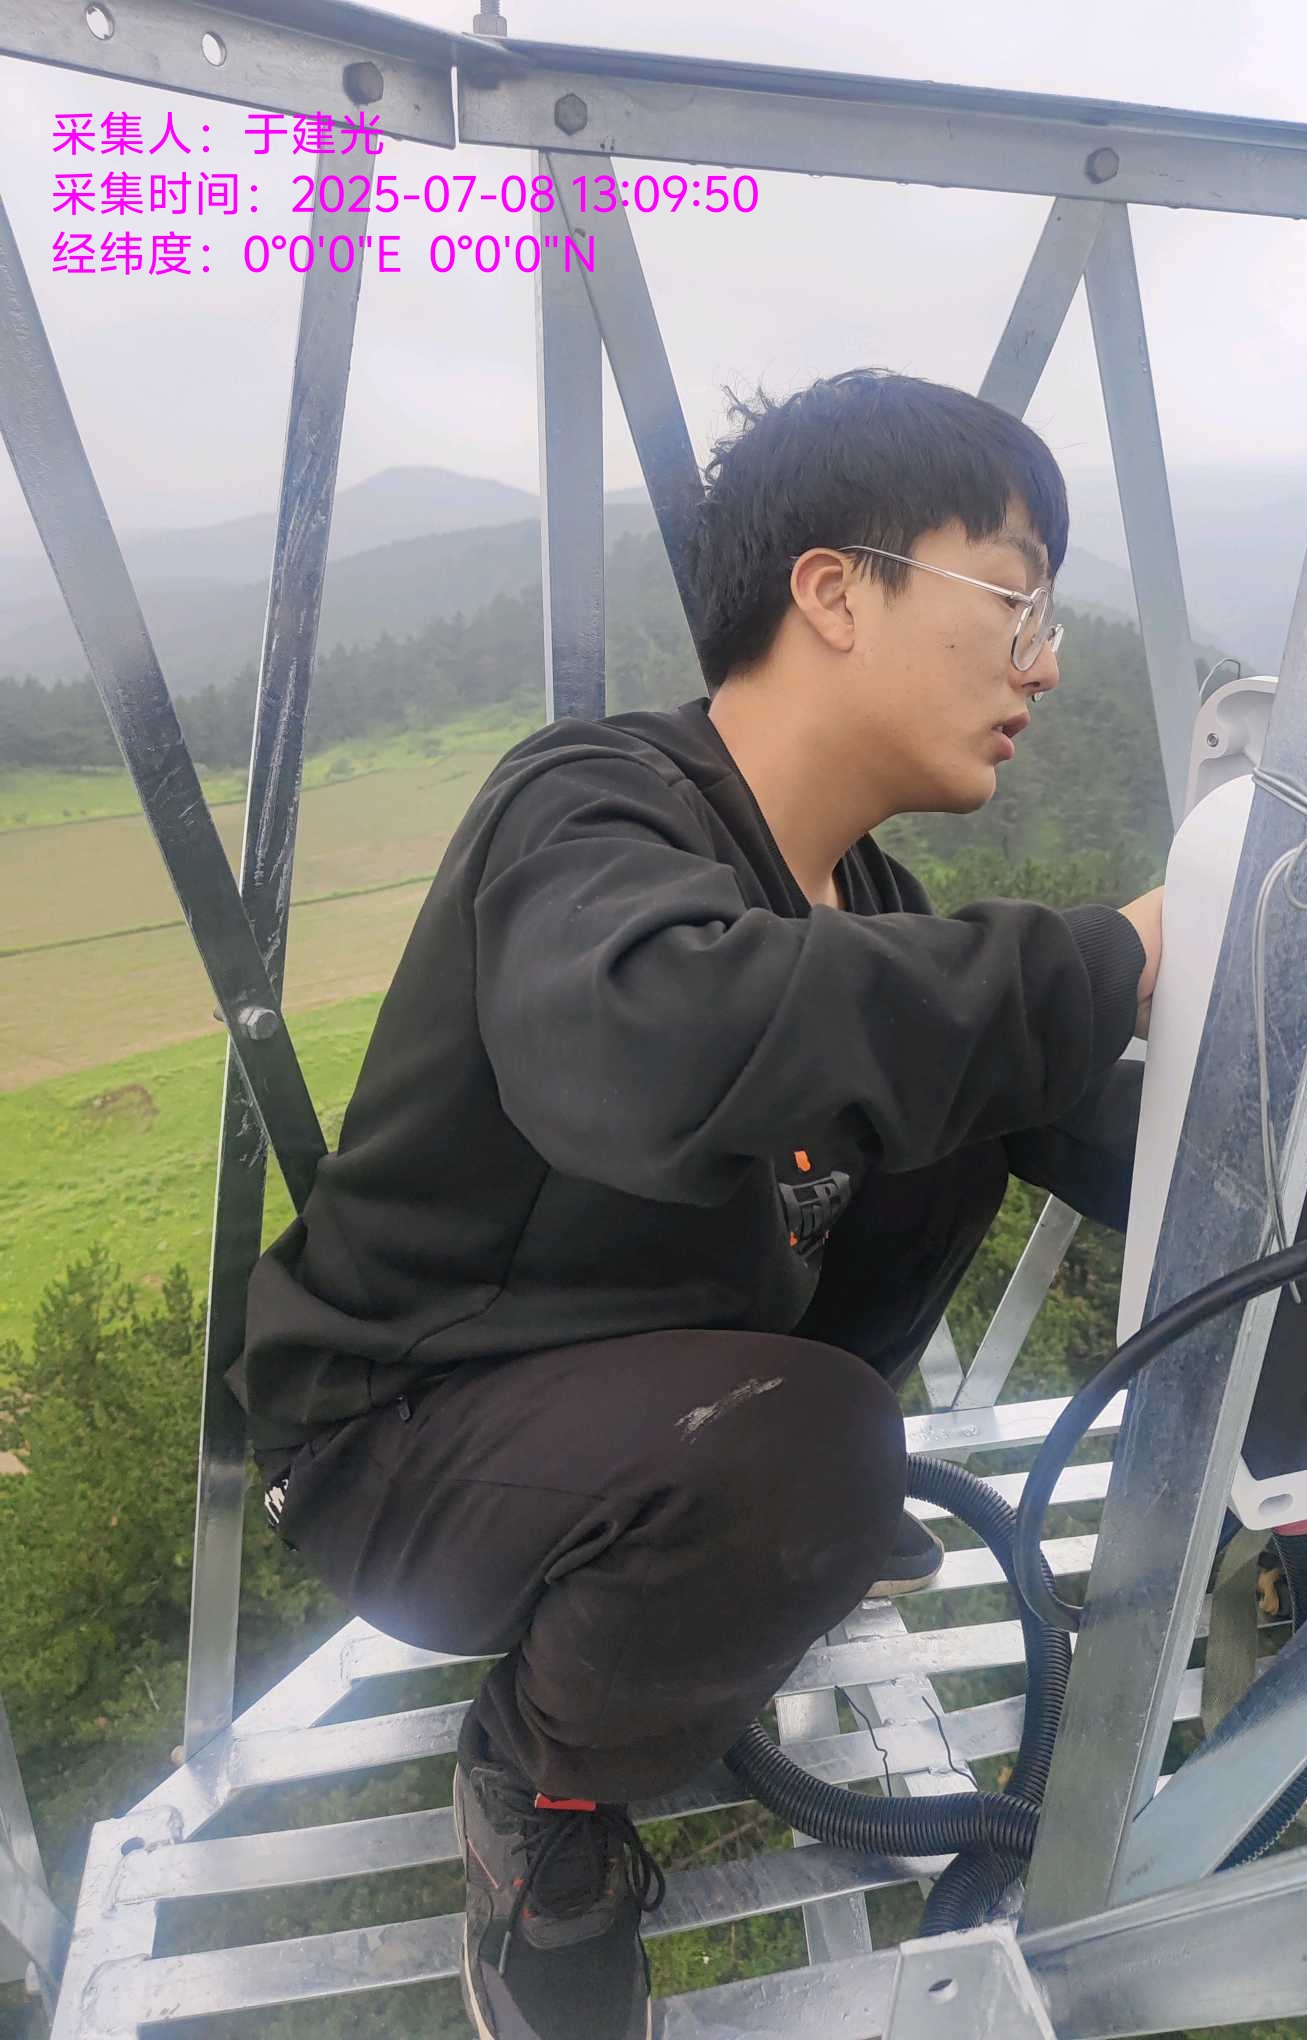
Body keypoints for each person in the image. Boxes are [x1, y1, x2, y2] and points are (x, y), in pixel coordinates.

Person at [229, 366, 1164, 2040]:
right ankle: (542, 1789)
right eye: (1014, 597)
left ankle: (765, 1507)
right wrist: (1119, 950)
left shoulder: (864, 899)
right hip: (393, 1449)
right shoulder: (584, 804)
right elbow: (648, 1048)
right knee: (812, 1412)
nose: (1041, 661)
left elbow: (1083, 1108)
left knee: (954, 1083)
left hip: (642, 1401)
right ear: (834, 592)